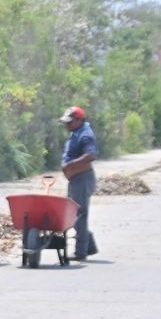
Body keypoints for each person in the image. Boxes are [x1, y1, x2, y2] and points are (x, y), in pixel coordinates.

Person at [59, 105, 99, 262]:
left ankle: (80, 252)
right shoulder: (77, 132)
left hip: (82, 178)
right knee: (74, 213)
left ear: (80, 120)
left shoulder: (86, 135)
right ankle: (88, 245)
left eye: (70, 122)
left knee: (79, 215)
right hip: (76, 179)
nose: (66, 125)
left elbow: (91, 155)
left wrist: (70, 165)